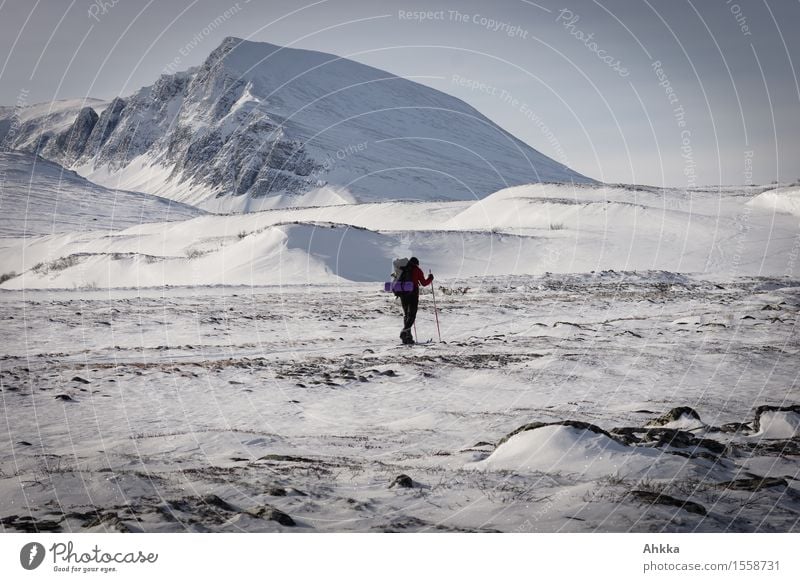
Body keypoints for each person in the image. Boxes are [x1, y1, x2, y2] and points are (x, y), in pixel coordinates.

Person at [399, 257, 434, 345]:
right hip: (413, 293)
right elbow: (424, 283)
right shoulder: (417, 270)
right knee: (412, 315)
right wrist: (430, 278)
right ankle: (404, 332)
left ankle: (407, 338)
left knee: (406, 315)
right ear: (416, 263)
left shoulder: (402, 269)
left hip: (403, 293)